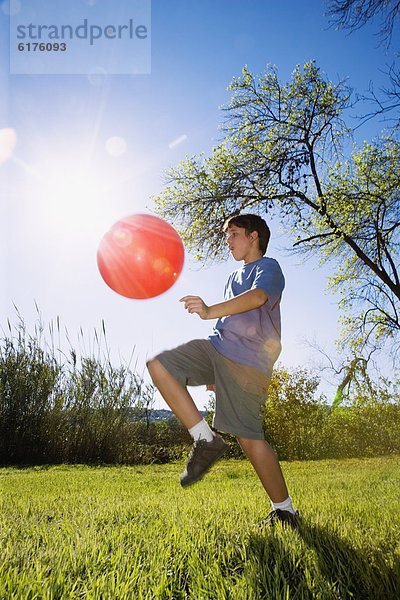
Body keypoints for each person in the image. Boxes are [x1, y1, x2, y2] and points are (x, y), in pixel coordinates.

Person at [147, 214, 298, 526]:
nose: (228, 241)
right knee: (160, 366)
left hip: (249, 363)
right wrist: (213, 373)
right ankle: (205, 439)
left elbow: (256, 298)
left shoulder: (268, 268)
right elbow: (225, 321)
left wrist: (209, 309)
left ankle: (285, 511)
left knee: (249, 439)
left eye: (233, 234)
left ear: (253, 236)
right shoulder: (232, 277)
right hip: (217, 348)